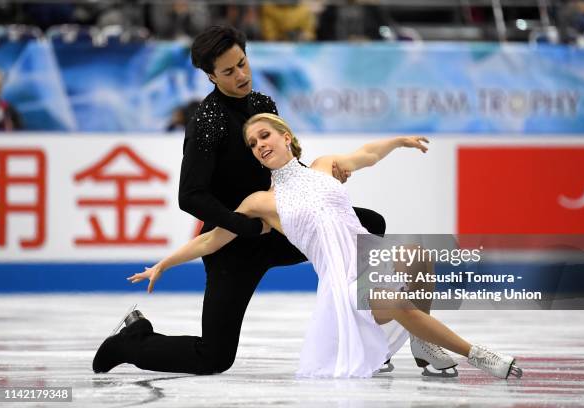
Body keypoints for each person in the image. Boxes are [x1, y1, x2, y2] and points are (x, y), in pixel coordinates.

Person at [94, 25, 443, 376]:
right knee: (213, 357)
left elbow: (282, 162)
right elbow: (191, 196)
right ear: (211, 76)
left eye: (242, 63)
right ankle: (132, 341)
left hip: (278, 229)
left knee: (369, 224)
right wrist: (242, 226)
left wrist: (319, 183)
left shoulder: (262, 104)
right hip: (232, 246)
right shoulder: (206, 122)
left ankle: (374, 339)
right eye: (229, 72)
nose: (241, 75)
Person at [128, 113, 524, 379]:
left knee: (419, 257)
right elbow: (211, 240)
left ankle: (424, 344)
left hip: (368, 262)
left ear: (286, 137)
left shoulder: (325, 167)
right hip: (342, 287)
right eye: (252, 144)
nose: (259, 145)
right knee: (395, 300)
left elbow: (366, 155)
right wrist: (163, 264)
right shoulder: (260, 203)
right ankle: (479, 355)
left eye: (264, 136)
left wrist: (398, 142)